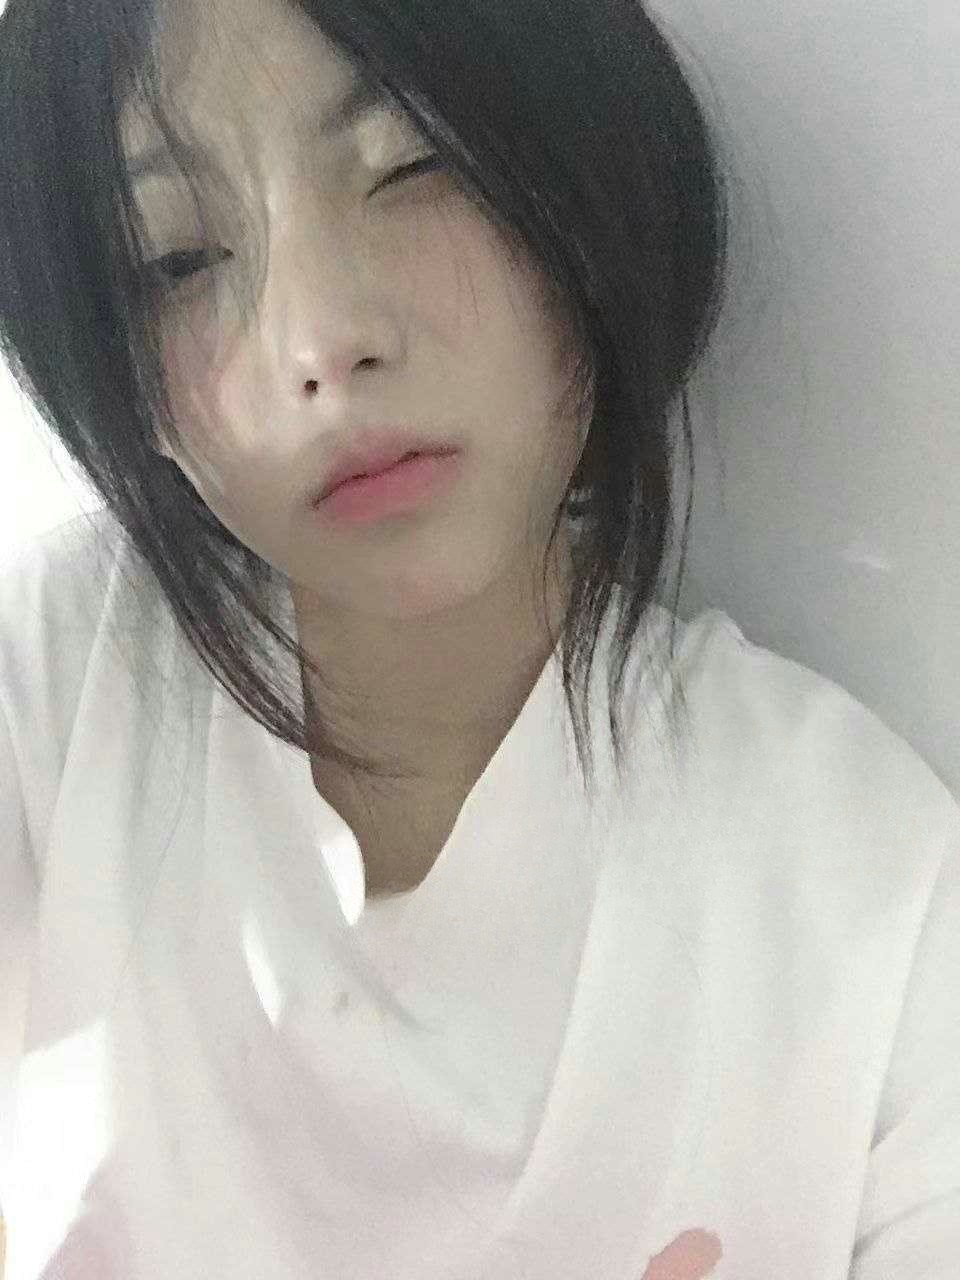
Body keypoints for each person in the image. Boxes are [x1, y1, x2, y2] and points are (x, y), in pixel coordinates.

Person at [0, 0, 957, 1276]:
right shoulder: (61, 677)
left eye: (415, 162)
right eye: (174, 258)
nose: (318, 342)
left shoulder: (868, 893)